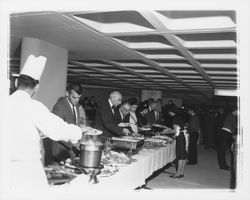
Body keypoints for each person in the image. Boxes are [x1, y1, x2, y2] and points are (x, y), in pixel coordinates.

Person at [8, 55, 85, 190]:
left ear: (15, 83)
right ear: (37, 86)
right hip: (26, 170)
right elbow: (58, 130)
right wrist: (78, 132)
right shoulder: (33, 106)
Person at [51, 82, 83, 163]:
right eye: (74, 97)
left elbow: (74, 124)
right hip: (61, 150)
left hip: (73, 150)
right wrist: (73, 143)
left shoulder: (76, 105)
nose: (77, 100)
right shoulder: (59, 107)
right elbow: (57, 131)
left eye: (79, 98)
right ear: (67, 93)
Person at [161, 105, 187, 178]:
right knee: (183, 156)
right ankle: (181, 172)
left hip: (179, 138)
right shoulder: (179, 117)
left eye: (169, 112)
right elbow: (179, 128)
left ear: (172, 111)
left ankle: (177, 173)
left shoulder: (175, 118)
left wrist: (165, 132)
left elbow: (175, 130)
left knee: (179, 156)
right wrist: (168, 129)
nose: (169, 113)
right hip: (183, 136)